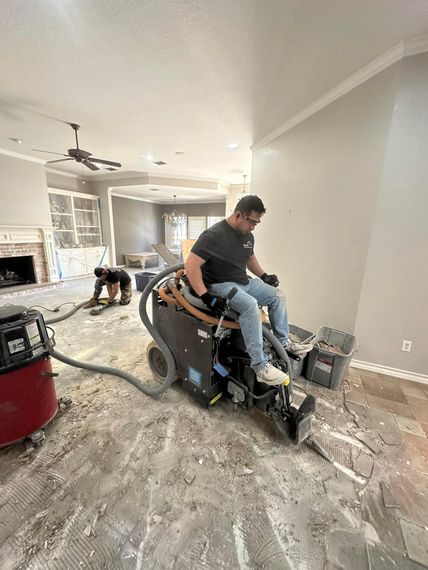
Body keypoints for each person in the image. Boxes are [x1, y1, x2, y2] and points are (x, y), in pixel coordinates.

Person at [185, 195, 312, 386]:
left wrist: (263, 276)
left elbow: (250, 258)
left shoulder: (248, 236)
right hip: (220, 285)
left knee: (278, 295)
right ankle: (260, 366)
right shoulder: (213, 235)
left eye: (257, 223)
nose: (254, 226)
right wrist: (205, 296)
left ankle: (282, 343)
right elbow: (191, 265)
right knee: (250, 306)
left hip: (244, 281)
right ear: (238, 215)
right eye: (252, 221)